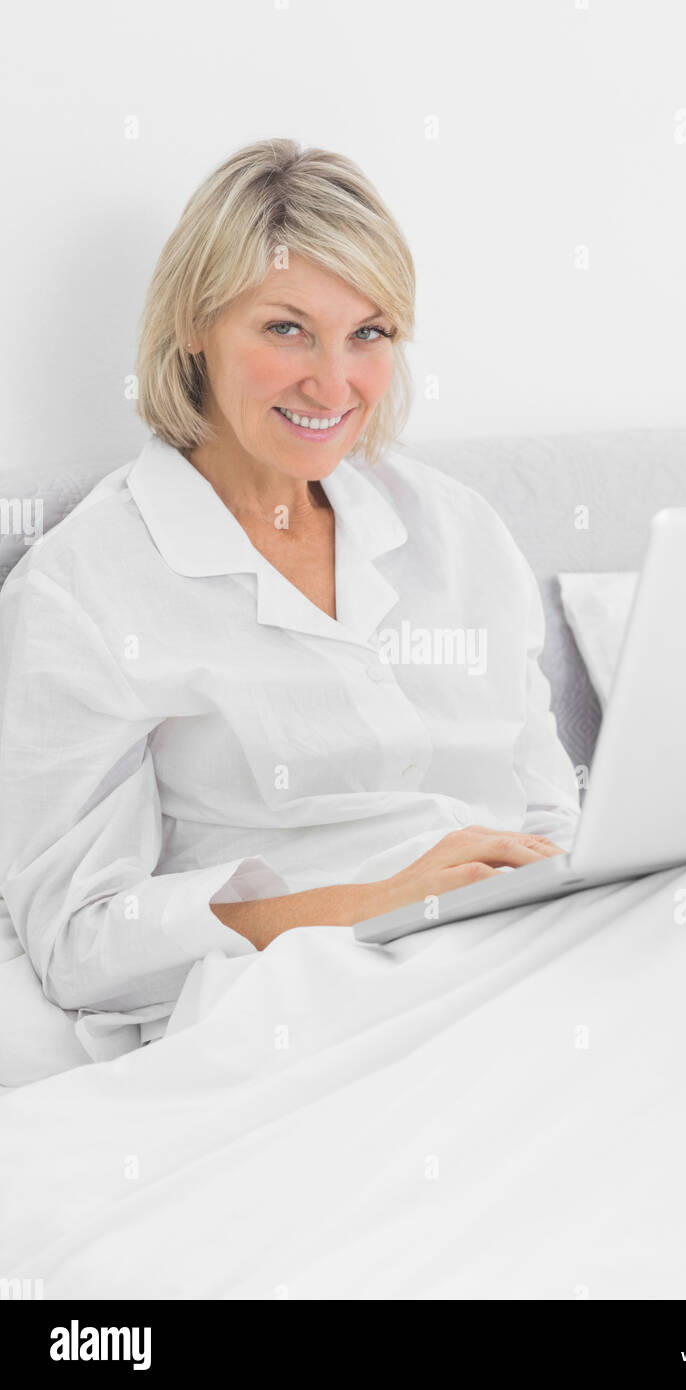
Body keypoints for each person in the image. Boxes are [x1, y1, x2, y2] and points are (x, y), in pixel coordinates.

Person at [0, 138, 580, 1062]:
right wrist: (379, 902)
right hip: (317, 990)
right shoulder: (84, 591)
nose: (333, 382)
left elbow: (554, 814)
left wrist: (577, 881)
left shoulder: (456, 530)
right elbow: (80, 942)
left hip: (528, 943)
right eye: (286, 329)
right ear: (194, 324)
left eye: (369, 334)